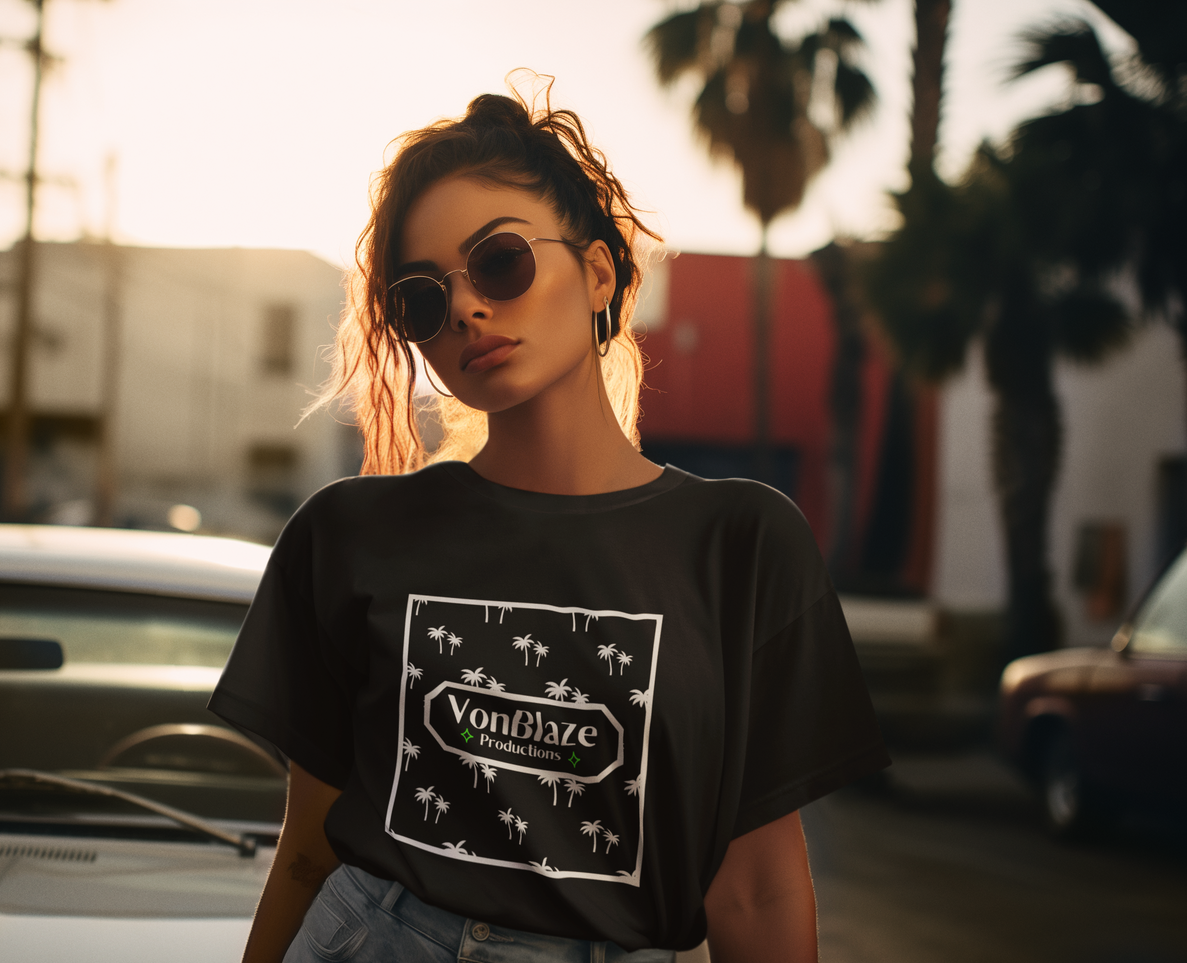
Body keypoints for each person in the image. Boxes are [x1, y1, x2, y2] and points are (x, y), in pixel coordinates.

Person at [209, 78, 889, 963]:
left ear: (598, 270)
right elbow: (306, 850)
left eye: (498, 260)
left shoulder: (741, 543)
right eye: (419, 298)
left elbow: (756, 888)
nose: (464, 308)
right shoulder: (347, 534)